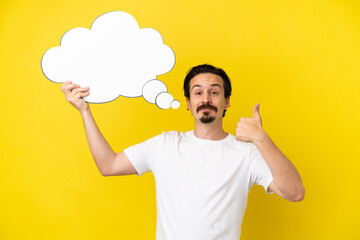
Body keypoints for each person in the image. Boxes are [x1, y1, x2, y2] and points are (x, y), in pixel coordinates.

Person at [61, 64, 305, 240]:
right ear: (189, 103)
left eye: (214, 91)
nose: (205, 98)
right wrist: (85, 111)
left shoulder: (246, 153)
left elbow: (295, 193)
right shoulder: (165, 145)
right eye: (197, 92)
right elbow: (109, 165)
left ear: (226, 101)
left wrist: (262, 139)